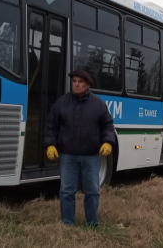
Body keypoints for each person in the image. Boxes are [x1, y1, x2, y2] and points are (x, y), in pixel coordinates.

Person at [44, 69, 115, 226]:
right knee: (66, 191)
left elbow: (108, 126)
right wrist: (50, 145)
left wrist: (108, 142)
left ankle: (92, 223)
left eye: (80, 82)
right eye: (74, 81)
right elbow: (50, 126)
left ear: (87, 84)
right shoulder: (62, 102)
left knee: (92, 192)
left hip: (91, 156)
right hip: (67, 156)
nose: (76, 84)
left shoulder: (98, 104)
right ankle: (67, 223)